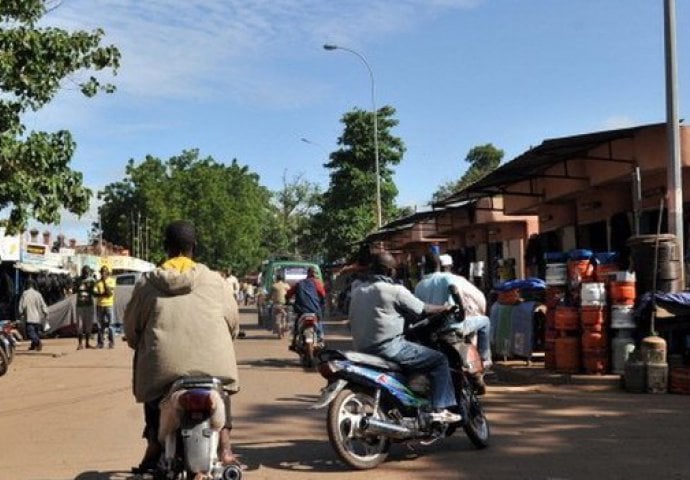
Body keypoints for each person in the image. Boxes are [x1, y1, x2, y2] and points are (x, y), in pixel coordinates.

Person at [123, 220, 240, 473]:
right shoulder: (216, 281)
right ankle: (226, 447)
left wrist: (136, 342)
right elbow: (233, 323)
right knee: (221, 387)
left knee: (154, 391)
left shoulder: (147, 283)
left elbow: (132, 328)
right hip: (212, 368)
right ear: (194, 247)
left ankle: (154, 443)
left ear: (165, 247)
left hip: (164, 371)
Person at [348, 252, 461, 424]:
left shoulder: (357, 290)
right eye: (395, 269)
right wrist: (445, 308)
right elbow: (423, 309)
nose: (396, 272)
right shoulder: (394, 290)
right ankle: (439, 409)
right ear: (388, 270)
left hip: (362, 349)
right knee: (439, 360)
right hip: (389, 348)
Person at [414, 253, 493, 385]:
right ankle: (485, 359)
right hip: (452, 326)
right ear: (444, 266)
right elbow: (465, 296)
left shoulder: (419, 285)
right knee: (485, 321)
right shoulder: (449, 279)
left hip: (429, 330)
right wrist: (462, 310)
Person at [286, 267, 326, 349]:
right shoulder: (317, 283)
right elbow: (323, 294)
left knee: (296, 323)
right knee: (319, 321)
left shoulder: (299, 283)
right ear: (315, 274)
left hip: (301, 310)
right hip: (315, 309)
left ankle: (294, 341)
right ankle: (320, 339)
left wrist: (287, 301)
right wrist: (321, 303)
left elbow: (288, 294)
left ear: (308, 274)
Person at [17, 278, 48, 351]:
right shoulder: (38, 294)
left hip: (29, 317)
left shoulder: (25, 294)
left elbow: (21, 305)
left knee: (30, 333)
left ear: (27, 285)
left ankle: (38, 342)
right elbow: (43, 304)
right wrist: (45, 312)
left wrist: (20, 313)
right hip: (37, 318)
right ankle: (33, 346)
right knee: (35, 332)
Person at [93, 265, 116, 349]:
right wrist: (103, 294)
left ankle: (111, 343)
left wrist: (104, 282)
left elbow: (109, 293)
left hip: (109, 305)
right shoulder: (97, 282)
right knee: (100, 325)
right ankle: (100, 343)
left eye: (105, 272)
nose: (103, 274)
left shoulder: (112, 281)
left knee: (110, 325)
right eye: (102, 272)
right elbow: (94, 294)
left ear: (108, 273)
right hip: (99, 305)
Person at [75, 266, 96, 350]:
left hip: (89, 305)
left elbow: (94, 292)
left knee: (88, 324)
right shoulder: (78, 280)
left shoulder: (92, 280)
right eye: (84, 272)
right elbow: (74, 290)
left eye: (87, 273)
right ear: (82, 272)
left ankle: (87, 343)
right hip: (80, 305)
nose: (86, 274)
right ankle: (80, 343)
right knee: (79, 325)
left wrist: (90, 287)